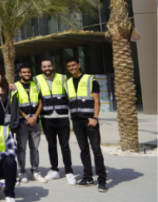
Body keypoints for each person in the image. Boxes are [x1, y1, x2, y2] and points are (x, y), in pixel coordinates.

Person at [66, 58, 108, 192]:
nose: (72, 68)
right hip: (77, 121)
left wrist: (95, 117)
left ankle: (102, 181)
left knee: (96, 150)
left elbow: (97, 101)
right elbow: (70, 101)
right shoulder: (67, 83)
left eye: (74, 65)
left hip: (90, 120)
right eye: (69, 66)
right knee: (84, 150)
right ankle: (88, 177)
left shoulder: (90, 79)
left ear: (78, 65)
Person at [36, 58, 73, 182]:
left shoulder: (63, 78)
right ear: (42, 68)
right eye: (44, 67)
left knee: (65, 145)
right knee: (51, 145)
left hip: (62, 117)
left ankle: (69, 171)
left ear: (53, 66)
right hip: (47, 118)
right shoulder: (37, 79)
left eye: (49, 66)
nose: (47, 69)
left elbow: (69, 96)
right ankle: (54, 170)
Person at [12, 64, 43, 182]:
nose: (27, 74)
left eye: (28, 72)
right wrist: (26, 117)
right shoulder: (15, 86)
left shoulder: (36, 85)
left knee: (35, 148)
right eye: (24, 72)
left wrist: (34, 117)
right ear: (20, 74)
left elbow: (40, 103)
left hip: (35, 122)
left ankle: (35, 171)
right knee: (22, 148)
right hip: (22, 123)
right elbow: (15, 105)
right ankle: (22, 172)